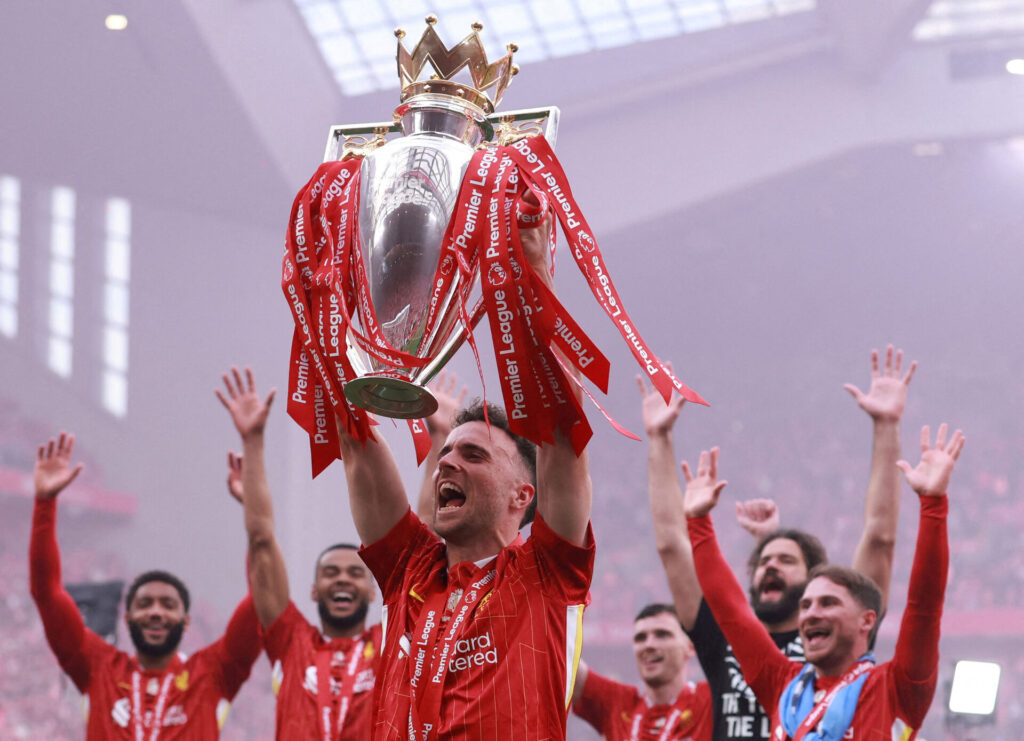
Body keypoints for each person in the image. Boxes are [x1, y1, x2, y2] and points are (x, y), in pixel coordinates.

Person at [338, 202, 594, 740]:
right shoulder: (410, 571)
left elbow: (562, 431)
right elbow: (355, 442)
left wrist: (535, 273)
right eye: (448, 452)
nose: (448, 461)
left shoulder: (545, 572)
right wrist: (327, 298)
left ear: (523, 495)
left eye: (475, 455)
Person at [643, 346, 916, 740]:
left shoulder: (839, 634)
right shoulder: (721, 634)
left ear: (815, 581)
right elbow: (672, 545)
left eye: (787, 560)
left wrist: (887, 427)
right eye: (763, 562)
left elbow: (879, 538)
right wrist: (658, 437)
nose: (770, 566)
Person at [682, 423, 962, 739]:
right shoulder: (781, 683)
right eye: (806, 605)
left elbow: (924, 606)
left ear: (866, 620)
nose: (811, 614)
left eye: (828, 603)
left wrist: (933, 504)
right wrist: (698, 522)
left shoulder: (897, 687)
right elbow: (732, 611)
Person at [29, 432, 260, 740]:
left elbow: (261, 601)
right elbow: (47, 593)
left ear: (186, 621)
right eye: (144, 604)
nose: (155, 611)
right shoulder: (98, 667)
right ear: (127, 620)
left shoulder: (212, 673)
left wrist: (255, 513)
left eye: (168, 605)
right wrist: (45, 503)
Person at [217, 367, 381, 740]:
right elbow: (261, 540)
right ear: (313, 590)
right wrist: (253, 441)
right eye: (331, 573)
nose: (342, 579)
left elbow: (426, 543)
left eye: (355, 573)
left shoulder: (388, 644)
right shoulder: (291, 642)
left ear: (373, 592)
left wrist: (438, 440)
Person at [572, 603, 712, 740]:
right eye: (641, 638)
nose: (649, 645)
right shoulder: (617, 704)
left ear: (690, 647)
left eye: (662, 634)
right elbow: (566, 659)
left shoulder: (709, 701)